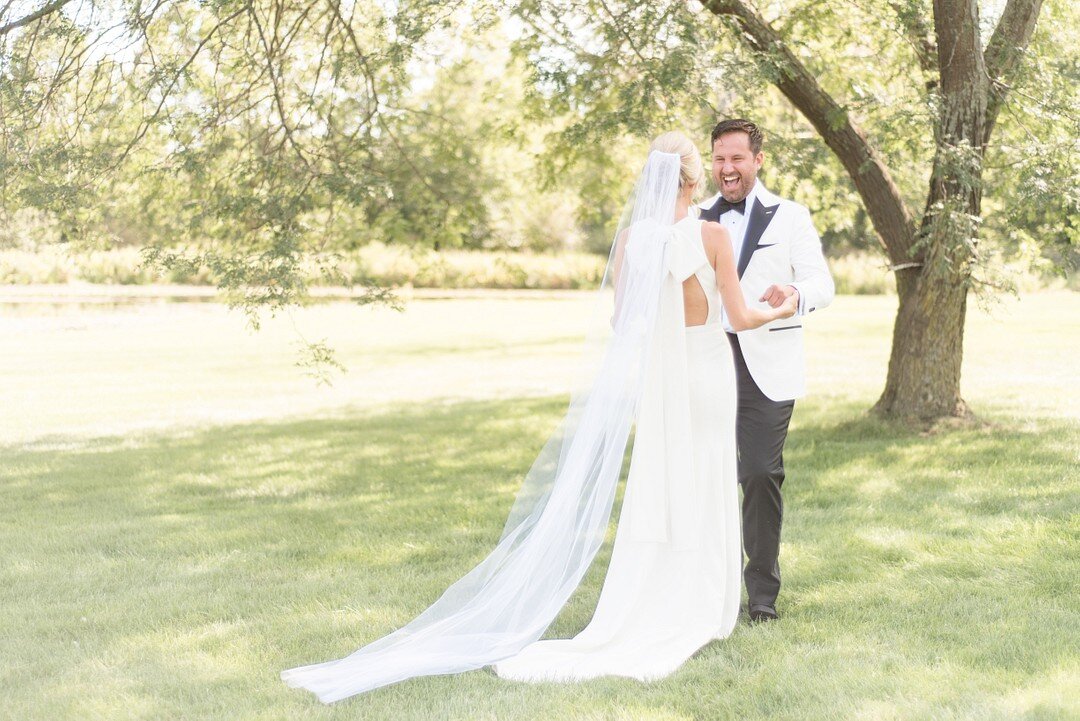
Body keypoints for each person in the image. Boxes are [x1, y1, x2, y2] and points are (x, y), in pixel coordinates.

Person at [280, 131, 796, 703]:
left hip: (661, 384)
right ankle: (705, 604)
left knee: (661, 481)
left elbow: (623, 327)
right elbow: (741, 317)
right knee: (705, 481)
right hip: (705, 377)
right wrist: (788, 303)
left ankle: (655, 598)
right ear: (695, 181)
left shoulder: (631, 242)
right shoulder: (712, 236)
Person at [698, 119, 835, 622]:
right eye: (719, 159)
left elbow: (822, 282)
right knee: (705, 474)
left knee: (759, 472)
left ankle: (761, 595)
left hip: (768, 365)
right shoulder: (692, 218)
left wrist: (796, 293)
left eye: (736, 159)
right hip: (706, 360)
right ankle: (709, 587)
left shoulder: (790, 216)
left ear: (757, 160)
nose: (727, 169)